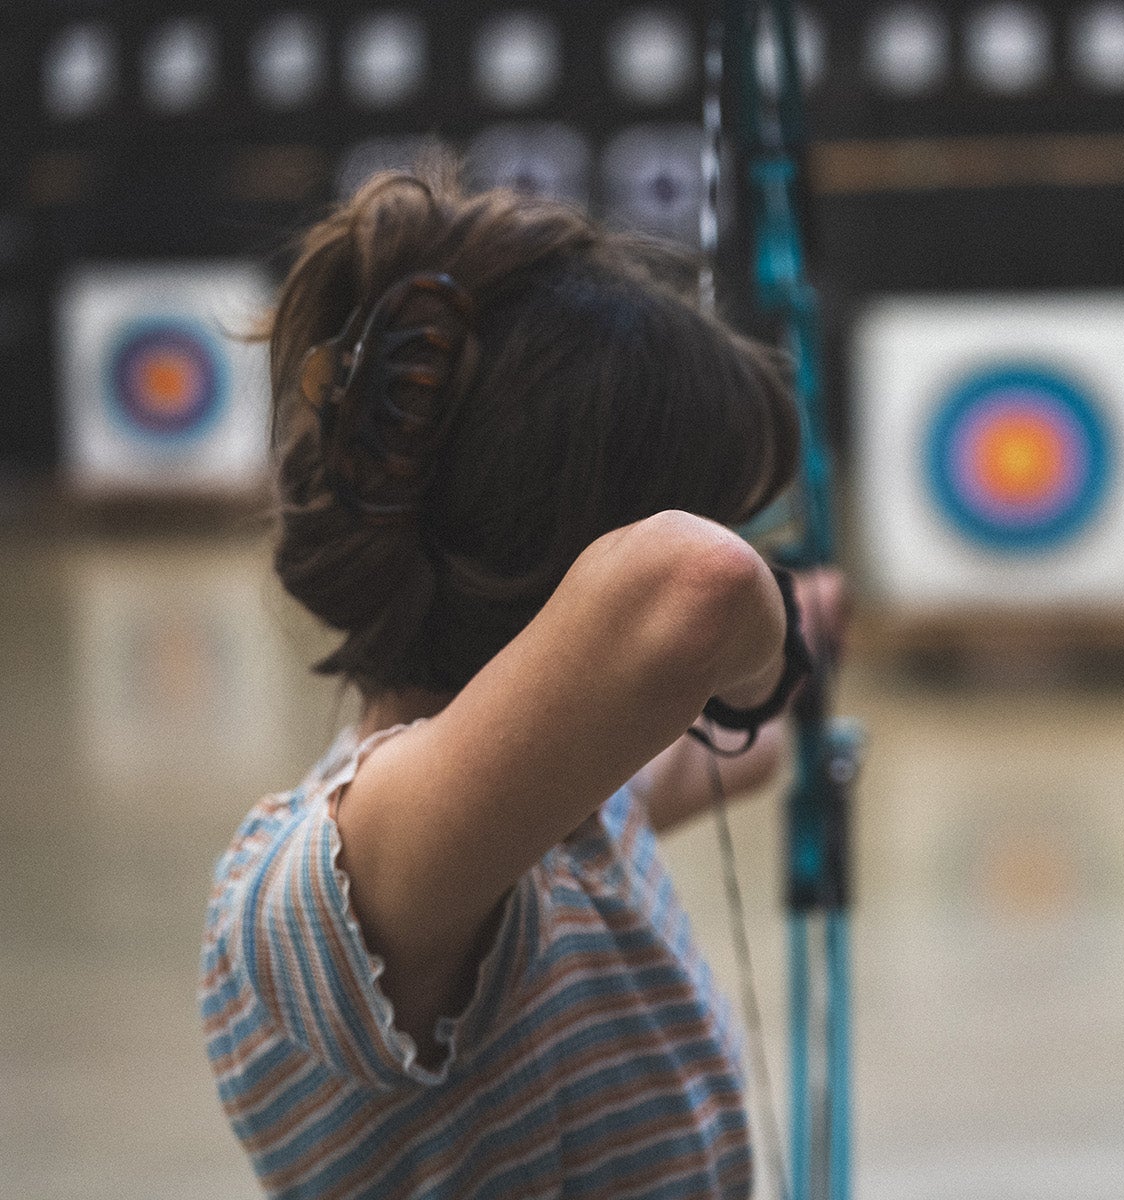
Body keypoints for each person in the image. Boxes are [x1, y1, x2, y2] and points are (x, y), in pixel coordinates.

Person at [198, 161, 841, 1199]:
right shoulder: (331, 887)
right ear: (578, 559)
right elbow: (702, 587)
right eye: (724, 511)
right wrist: (775, 656)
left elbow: (723, 755)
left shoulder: (563, 818)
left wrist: (803, 630)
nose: (738, 546)